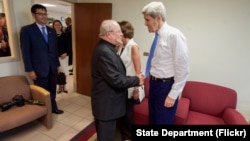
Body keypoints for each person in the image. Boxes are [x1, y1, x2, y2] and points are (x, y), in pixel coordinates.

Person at [91, 19, 144, 141]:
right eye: (119, 32)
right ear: (109, 34)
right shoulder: (104, 51)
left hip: (109, 103)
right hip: (106, 106)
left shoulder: (109, 48)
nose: (122, 34)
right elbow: (116, 80)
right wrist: (137, 80)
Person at [142, 1, 190, 124]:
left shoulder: (175, 36)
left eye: (147, 20)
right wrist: (144, 74)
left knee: (162, 123)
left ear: (158, 18)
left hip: (165, 87)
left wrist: (173, 94)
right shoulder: (156, 36)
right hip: (154, 84)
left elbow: (183, 68)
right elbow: (155, 61)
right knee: (152, 120)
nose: (145, 23)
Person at [20, 4, 64, 114]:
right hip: (38, 69)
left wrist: (58, 65)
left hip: (52, 67)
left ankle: (53, 108)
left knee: (52, 90)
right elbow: (25, 52)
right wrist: (30, 70)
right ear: (33, 15)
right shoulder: (27, 30)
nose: (44, 16)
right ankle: (42, 113)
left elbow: (55, 50)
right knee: (41, 93)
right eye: (40, 14)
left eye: (45, 14)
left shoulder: (51, 31)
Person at [117, 20, 142, 141]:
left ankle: (127, 137)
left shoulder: (133, 47)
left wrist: (137, 89)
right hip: (122, 85)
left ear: (123, 33)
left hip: (130, 86)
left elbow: (138, 71)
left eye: (118, 31)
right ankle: (123, 133)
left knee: (128, 114)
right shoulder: (121, 46)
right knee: (122, 112)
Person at [52, 19, 70, 94]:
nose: (57, 26)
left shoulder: (65, 35)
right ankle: (59, 87)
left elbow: (69, 46)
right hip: (55, 57)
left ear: (61, 26)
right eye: (55, 25)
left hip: (64, 56)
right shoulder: (51, 36)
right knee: (58, 72)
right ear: (53, 26)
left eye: (59, 25)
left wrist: (66, 53)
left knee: (64, 72)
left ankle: (64, 86)